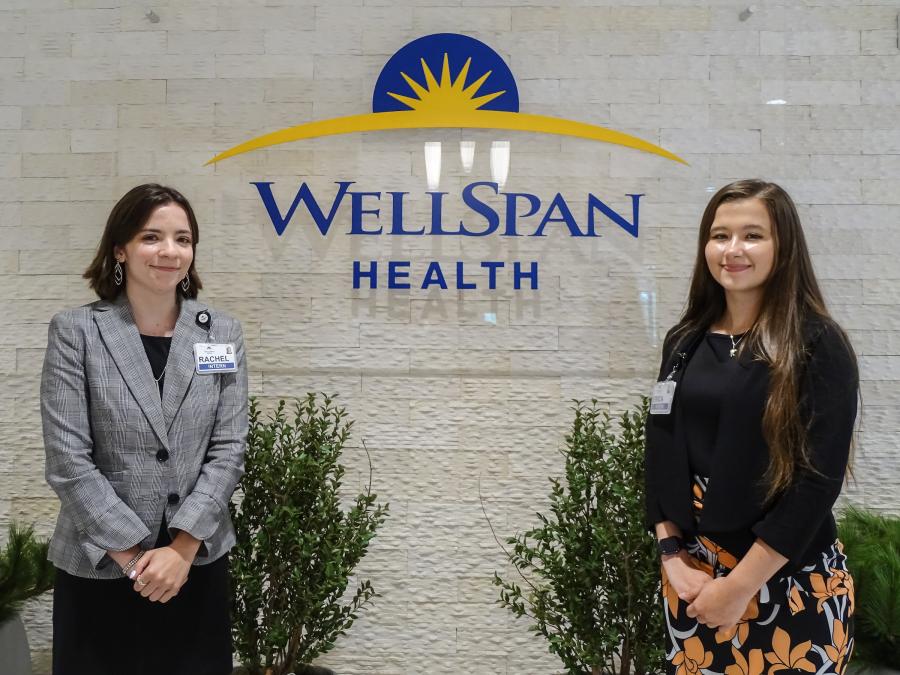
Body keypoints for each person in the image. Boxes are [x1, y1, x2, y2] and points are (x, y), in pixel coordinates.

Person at [645, 179, 858, 674]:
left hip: (788, 579)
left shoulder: (816, 343)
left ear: (783, 248)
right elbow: (660, 451)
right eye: (720, 235)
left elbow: (817, 482)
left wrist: (739, 587)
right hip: (693, 582)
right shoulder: (685, 340)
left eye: (753, 235)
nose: (732, 250)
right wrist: (671, 556)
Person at [41, 184, 248, 675]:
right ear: (121, 249)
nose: (169, 252)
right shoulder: (78, 331)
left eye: (183, 238)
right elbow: (68, 459)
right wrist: (134, 557)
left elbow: (228, 447)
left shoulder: (220, 332)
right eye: (151, 237)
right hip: (101, 563)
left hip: (193, 564)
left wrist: (181, 548)